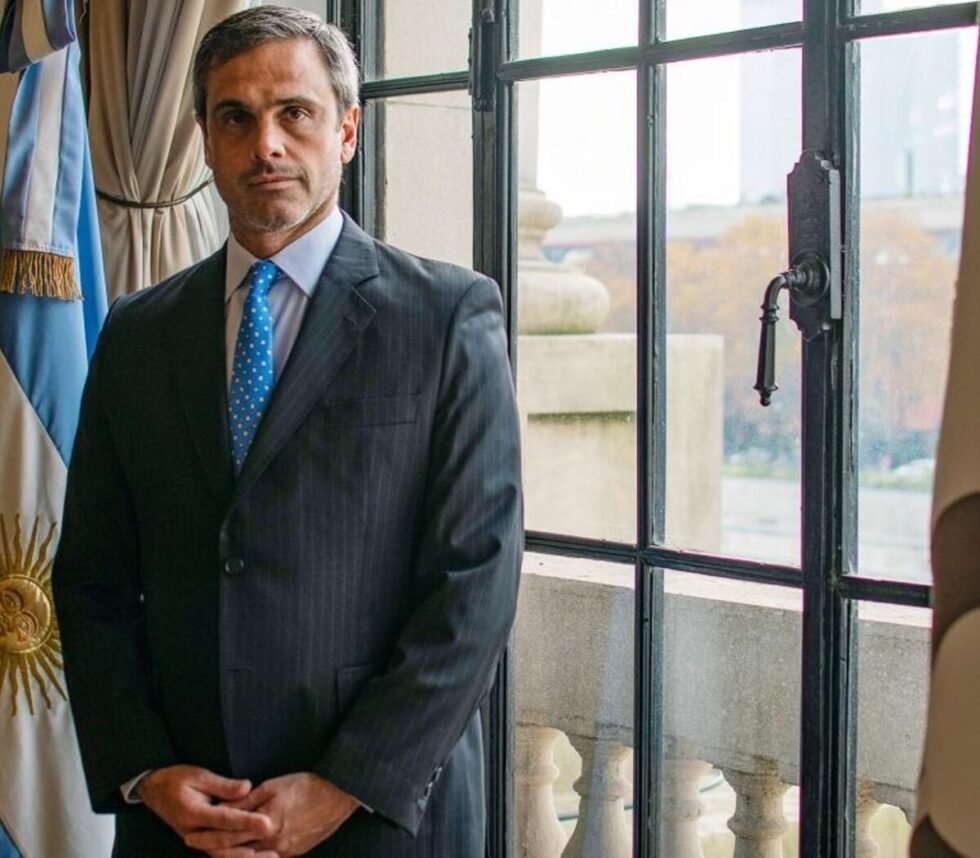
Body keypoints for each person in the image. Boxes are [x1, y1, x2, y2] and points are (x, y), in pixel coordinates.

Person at [51, 7, 522, 857]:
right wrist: (145, 771)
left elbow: (474, 582)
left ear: (347, 131)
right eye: (235, 117)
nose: (265, 144)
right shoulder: (136, 332)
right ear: (204, 140)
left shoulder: (447, 316)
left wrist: (347, 784)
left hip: (381, 819)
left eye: (294, 113)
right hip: (180, 820)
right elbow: (91, 578)